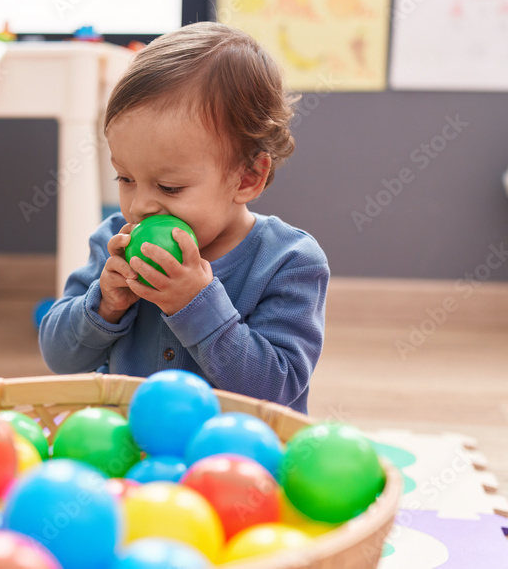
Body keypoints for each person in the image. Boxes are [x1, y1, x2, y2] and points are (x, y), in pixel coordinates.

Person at [38, 22, 329, 413]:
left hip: (233, 461)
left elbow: (278, 388)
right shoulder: (114, 243)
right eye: (125, 178)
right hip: (132, 454)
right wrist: (104, 307)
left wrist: (197, 305)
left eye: (170, 187)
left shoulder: (289, 261)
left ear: (247, 178)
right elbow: (59, 357)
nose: (140, 206)